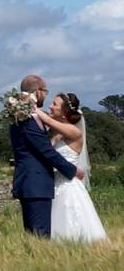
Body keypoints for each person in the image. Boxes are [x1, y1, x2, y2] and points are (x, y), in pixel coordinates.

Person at [9, 75, 85, 238]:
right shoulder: (28, 116)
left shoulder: (20, 114)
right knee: (40, 237)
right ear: (38, 91)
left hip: (33, 183)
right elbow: (46, 150)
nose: (47, 97)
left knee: (34, 238)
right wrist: (72, 170)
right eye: (46, 92)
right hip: (35, 184)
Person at [34, 92, 108, 242]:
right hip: (53, 184)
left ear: (64, 111)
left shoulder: (74, 131)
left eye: (54, 104)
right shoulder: (53, 132)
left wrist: (31, 108)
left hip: (68, 186)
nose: (50, 106)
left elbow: (47, 120)